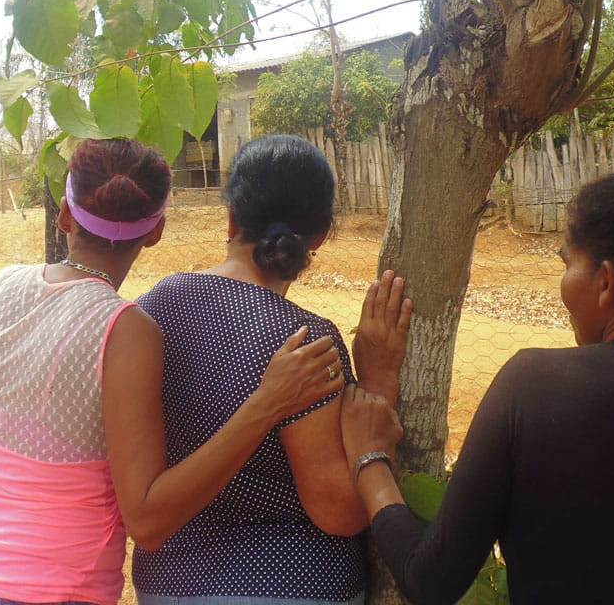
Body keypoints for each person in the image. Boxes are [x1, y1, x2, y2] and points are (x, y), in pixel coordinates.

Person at [0, 138, 350, 605]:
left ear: (64, 215)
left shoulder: (5, 285)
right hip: (56, 588)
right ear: (156, 232)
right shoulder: (123, 328)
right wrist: (265, 405)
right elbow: (148, 519)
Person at [340, 144, 614, 604]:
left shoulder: (534, 385)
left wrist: (371, 461)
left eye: (569, 264)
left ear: (606, 283)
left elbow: (430, 580)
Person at [132, 134, 413, 605]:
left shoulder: (154, 307)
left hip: (166, 584)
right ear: (320, 236)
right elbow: (339, 512)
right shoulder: (305, 346)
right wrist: (380, 381)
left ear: (231, 218)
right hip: (292, 585)